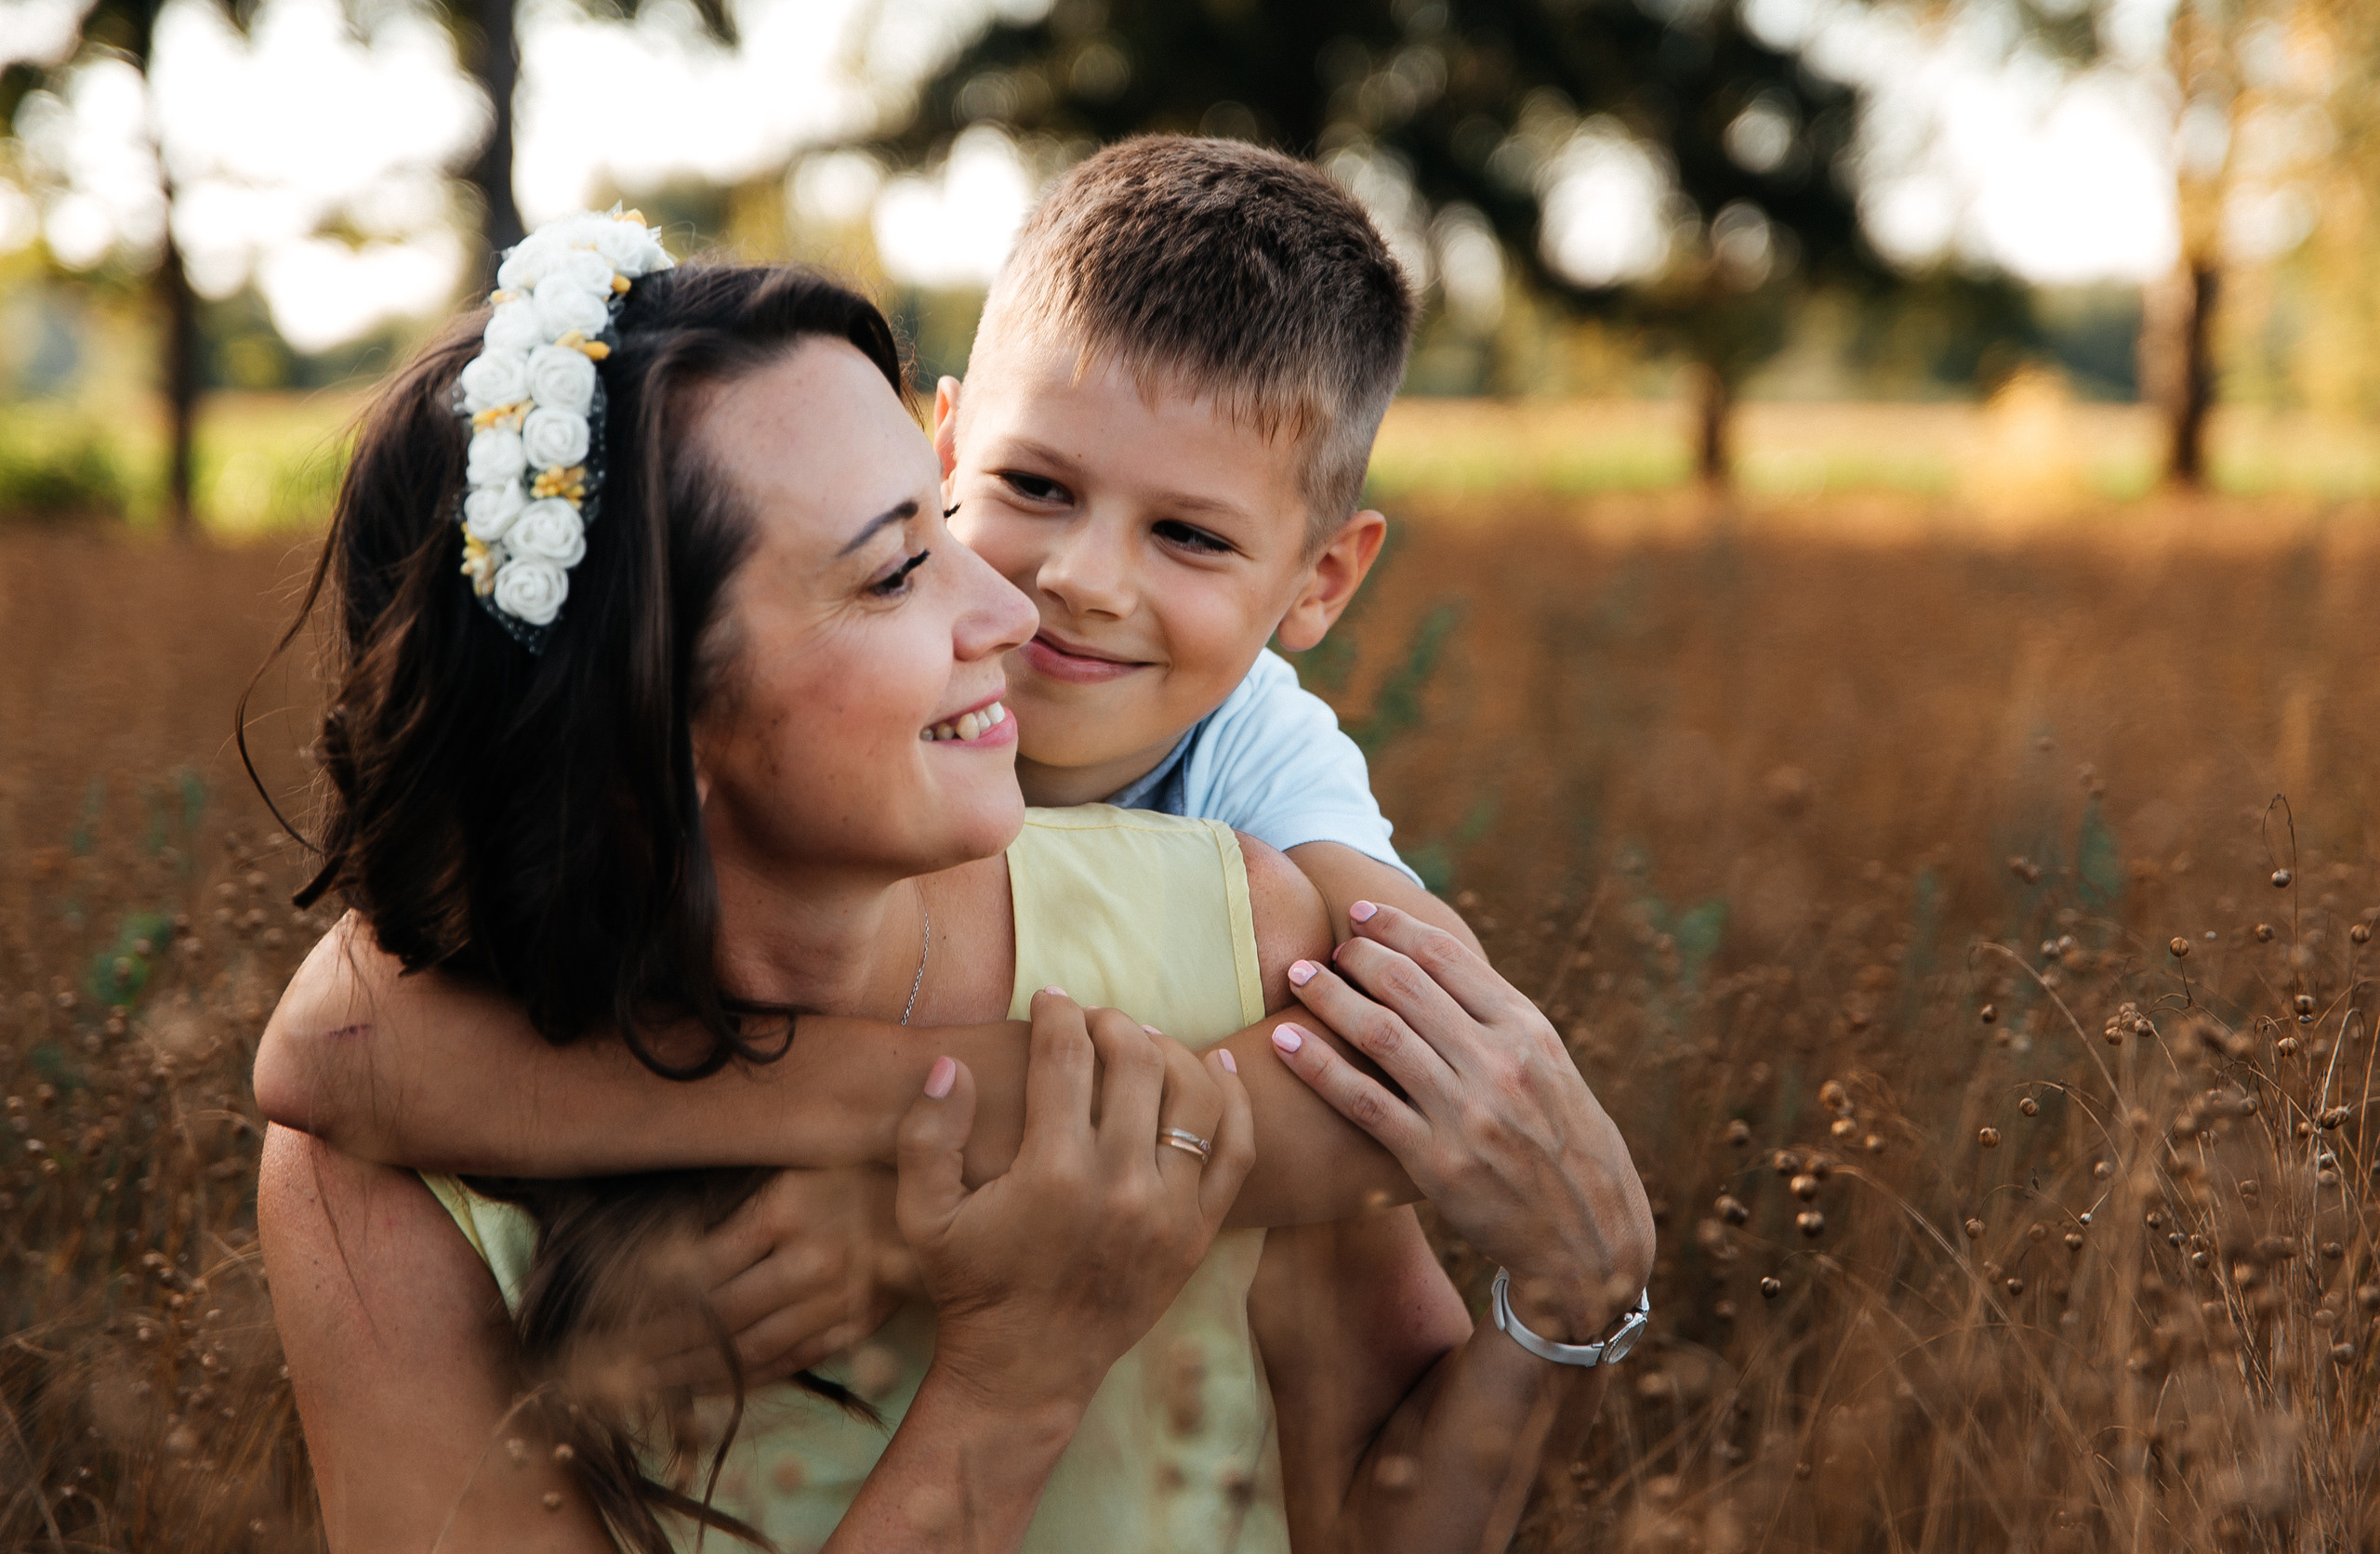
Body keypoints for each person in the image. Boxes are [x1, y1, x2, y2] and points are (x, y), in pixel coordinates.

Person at [258, 208, 1652, 1553]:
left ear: (1322, 577)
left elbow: (1455, 1079)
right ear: (640, 721)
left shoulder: (1244, 912)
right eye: (900, 565)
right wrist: (1015, 1365)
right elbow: (326, 1058)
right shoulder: (395, 1166)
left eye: (1191, 534)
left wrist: (898, 1199)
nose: (1028, 600)